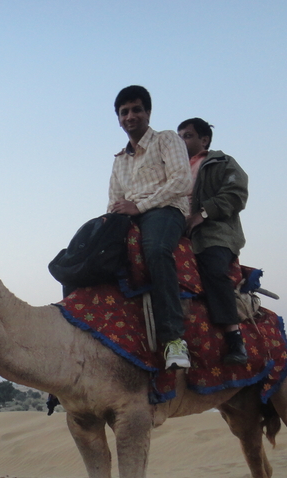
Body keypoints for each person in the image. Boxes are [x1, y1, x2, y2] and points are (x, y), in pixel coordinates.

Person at [108, 85, 193, 370]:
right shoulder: (119, 160)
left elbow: (182, 181)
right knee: (81, 254)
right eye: (124, 112)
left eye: (136, 110)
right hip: (128, 216)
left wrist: (140, 207)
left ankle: (174, 340)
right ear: (118, 119)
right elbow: (113, 200)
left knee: (156, 251)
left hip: (165, 209)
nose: (130, 116)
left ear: (147, 113)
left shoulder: (166, 140)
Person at [177, 118, 249, 365]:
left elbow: (236, 194)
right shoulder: (174, 170)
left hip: (214, 232)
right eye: (179, 137)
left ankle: (234, 339)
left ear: (204, 140)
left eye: (187, 136)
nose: (181, 141)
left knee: (213, 270)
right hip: (179, 234)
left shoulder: (221, 163)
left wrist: (203, 214)